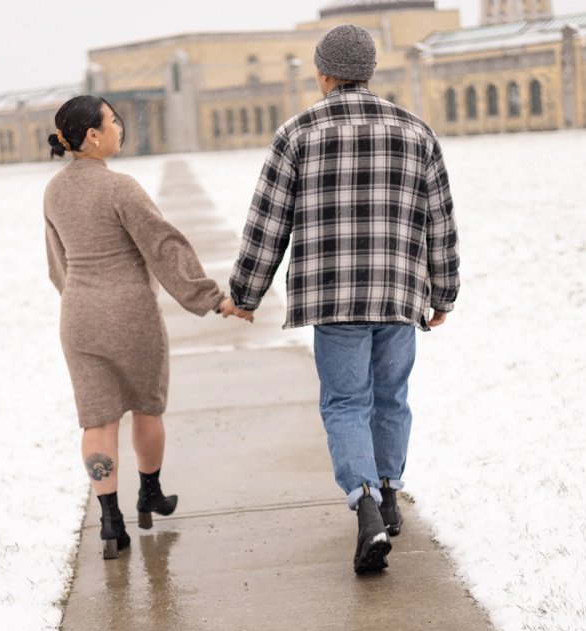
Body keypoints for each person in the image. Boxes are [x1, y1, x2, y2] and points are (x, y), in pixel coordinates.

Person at [228, 25, 460, 574]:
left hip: (333, 300)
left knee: (345, 402)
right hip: (399, 294)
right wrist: (443, 292)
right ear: (370, 70)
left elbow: (267, 225)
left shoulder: (297, 133)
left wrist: (245, 293)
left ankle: (365, 513)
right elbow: (441, 223)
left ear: (323, 72)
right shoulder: (416, 131)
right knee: (391, 397)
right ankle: (387, 491)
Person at [44, 95, 250, 560]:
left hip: (78, 318)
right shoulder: (121, 188)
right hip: (131, 316)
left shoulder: (53, 192)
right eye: (113, 122)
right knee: (146, 408)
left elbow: (56, 263)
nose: (120, 128)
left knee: (96, 421)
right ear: (92, 136)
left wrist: (78, 299)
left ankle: (110, 522)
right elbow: (163, 246)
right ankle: (149, 493)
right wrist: (211, 297)